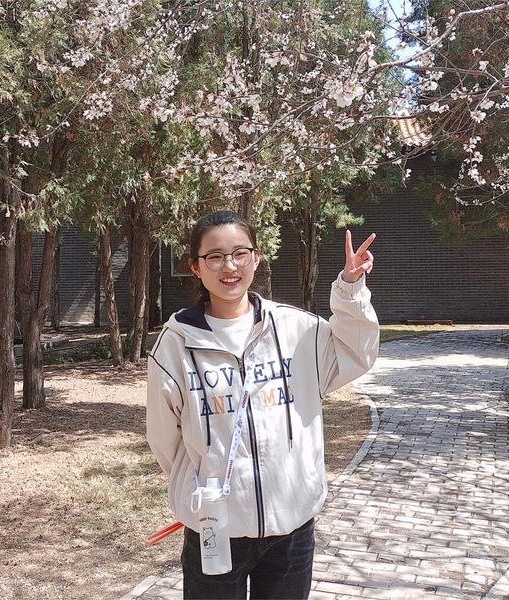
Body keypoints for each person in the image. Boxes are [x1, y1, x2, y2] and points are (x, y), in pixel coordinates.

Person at [146, 210, 379, 599]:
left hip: (291, 527)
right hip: (215, 528)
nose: (230, 266)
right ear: (195, 267)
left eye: (240, 253)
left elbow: (356, 354)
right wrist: (205, 482)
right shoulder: (175, 344)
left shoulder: (295, 329)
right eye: (215, 256)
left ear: (256, 258)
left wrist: (350, 289)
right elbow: (164, 438)